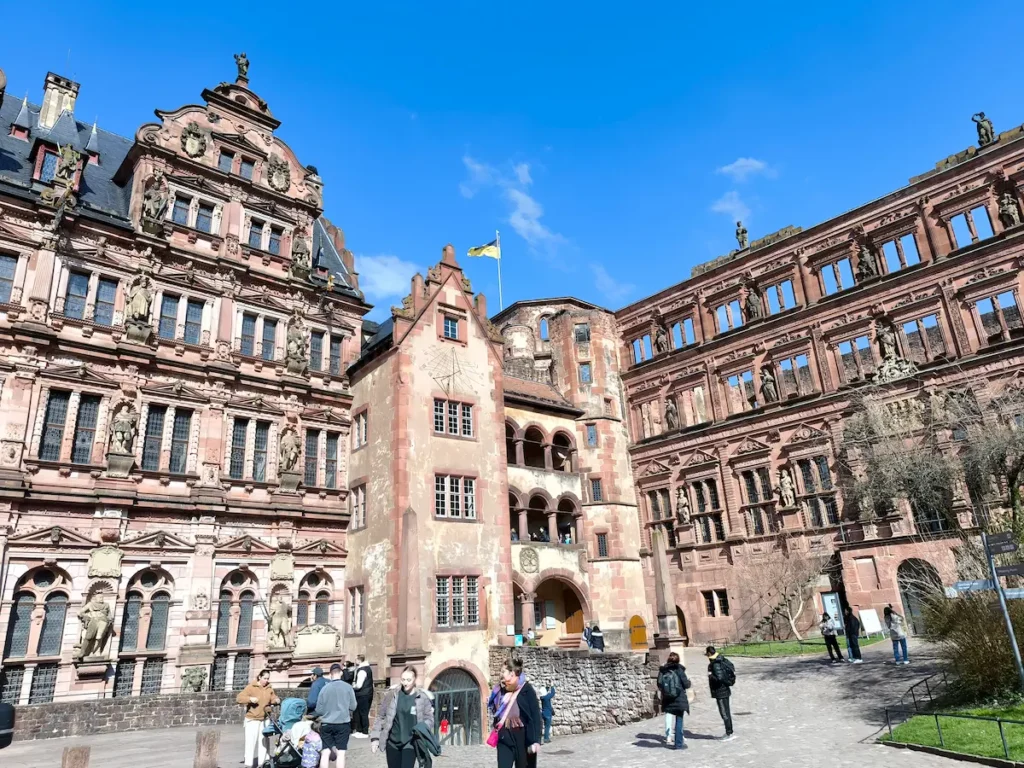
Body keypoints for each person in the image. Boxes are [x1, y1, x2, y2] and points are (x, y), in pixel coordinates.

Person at [370, 665, 435, 768]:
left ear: (414, 679)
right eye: (403, 679)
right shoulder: (392, 695)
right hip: (392, 742)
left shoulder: (422, 698)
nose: (405, 683)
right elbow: (381, 716)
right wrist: (375, 738)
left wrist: (422, 727)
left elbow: (430, 719)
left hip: (411, 743)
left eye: (409, 680)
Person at [489, 656, 541, 768]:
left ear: (512, 673)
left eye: (503, 671)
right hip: (504, 737)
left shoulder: (526, 689)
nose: (501, 674)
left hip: (523, 738)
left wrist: (536, 740)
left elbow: (535, 716)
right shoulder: (499, 690)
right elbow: (495, 712)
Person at [315, 662, 358, 768]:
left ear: (330, 674)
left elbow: (318, 710)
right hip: (343, 723)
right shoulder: (348, 687)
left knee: (325, 752)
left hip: (326, 723)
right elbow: (353, 706)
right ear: (341, 673)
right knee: (341, 753)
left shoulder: (324, 689)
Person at [236, 669, 279, 768]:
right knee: (250, 742)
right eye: (264, 678)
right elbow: (239, 698)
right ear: (259, 677)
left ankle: (262, 763)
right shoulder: (251, 687)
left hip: (265, 718)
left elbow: (273, 698)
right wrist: (250, 699)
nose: (266, 680)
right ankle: (248, 764)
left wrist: (276, 700)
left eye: (268, 678)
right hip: (252, 719)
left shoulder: (269, 688)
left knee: (264, 741)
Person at [657, 652, 691, 750]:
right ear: (678, 660)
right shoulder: (679, 670)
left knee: (669, 716)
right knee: (679, 720)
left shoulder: (663, 670)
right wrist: (689, 682)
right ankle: (678, 744)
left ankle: (668, 736)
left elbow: (659, 684)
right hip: (679, 698)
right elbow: (686, 685)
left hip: (668, 699)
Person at [706, 646, 735, 741]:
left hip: (720, 691)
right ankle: (729, 731)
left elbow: (719, 678)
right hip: (725, 690)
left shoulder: (715, 664)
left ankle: (728, 733)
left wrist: (710, 676)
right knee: (726, 712)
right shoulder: (721, 659)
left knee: (724, 713)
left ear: (709, 654)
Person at [352, 654, 374, 738]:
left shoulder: (362, 670)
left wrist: (353, 686)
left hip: (362, 694)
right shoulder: (367, 668)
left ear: (359, 660)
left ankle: (364, 732)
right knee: (360, 713)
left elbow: (359, 685)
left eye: (356, 659)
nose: (355, 661)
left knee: (362, 713)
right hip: (367, 693)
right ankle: (360, 730)